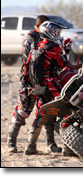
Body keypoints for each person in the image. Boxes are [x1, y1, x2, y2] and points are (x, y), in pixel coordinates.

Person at [6, 15, 62, 153]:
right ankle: (10, 142)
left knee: (46, 112)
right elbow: (28, 60)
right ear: (38, 27)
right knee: (23, 111)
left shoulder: (52, 40)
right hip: (29, 81)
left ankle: (49, 143)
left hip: (45, 82)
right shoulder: (30, 37)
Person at [24, 21, 81, 155]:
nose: (59, 35)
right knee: (66, 111)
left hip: (38, 86)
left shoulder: (36, 46)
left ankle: (30, 145)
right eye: (57, 32)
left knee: (41, 114)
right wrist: (65, 50)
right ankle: (68, 147)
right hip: (52, 86)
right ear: (50, 32)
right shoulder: (53, 47)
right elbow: (63, 64)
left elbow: (27, 65)